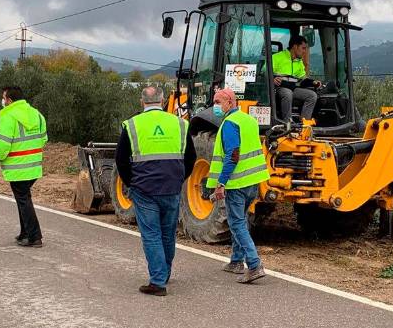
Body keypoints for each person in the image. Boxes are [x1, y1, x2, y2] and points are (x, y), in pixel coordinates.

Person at [115, 86, 196, 296]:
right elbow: (191, 158)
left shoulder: (132, 124)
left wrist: (130, 183)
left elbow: (121, 160)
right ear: (162, 101)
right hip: (172, 187)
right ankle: (165, 273)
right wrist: (179, 178)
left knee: (151, 234)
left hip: (144, 188)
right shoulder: (180, 124)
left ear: (142, 102)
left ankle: (158, 281)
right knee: (168, 232)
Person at [206, 88, 270, 283]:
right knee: (240, 220)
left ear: (230, 102)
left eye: (218, 102)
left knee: (236, 223)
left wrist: (221, 183)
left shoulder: (229, 124)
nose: (215, 105)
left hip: (237, 182)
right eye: (214, 101)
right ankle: (236, 261)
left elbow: (233, 155)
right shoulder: (248, 120)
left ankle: (254, 264)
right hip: (253, 180)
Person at [0, 86, 47, 248]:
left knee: (23, 200)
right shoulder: (37, 114)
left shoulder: (8, 116)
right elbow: (44, 138)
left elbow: (2, 145)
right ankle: (25, 233)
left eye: (4, 98)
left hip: (17, 167)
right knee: (23, 198)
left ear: (9, 100)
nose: (3, 101)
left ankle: (34, 236)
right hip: (34, 166)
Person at [272, 35, 319, 123]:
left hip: (293, 88)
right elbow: (264, 73)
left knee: (312, 95)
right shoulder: (277, 57)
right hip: (278, 88)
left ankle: (304, 123)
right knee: (288, 93)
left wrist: (313, 82)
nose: (305, 51)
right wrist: (273, 79)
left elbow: (303, 79)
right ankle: (288, 123)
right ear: (295, 46)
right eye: (303, 48)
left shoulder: (299, 62)